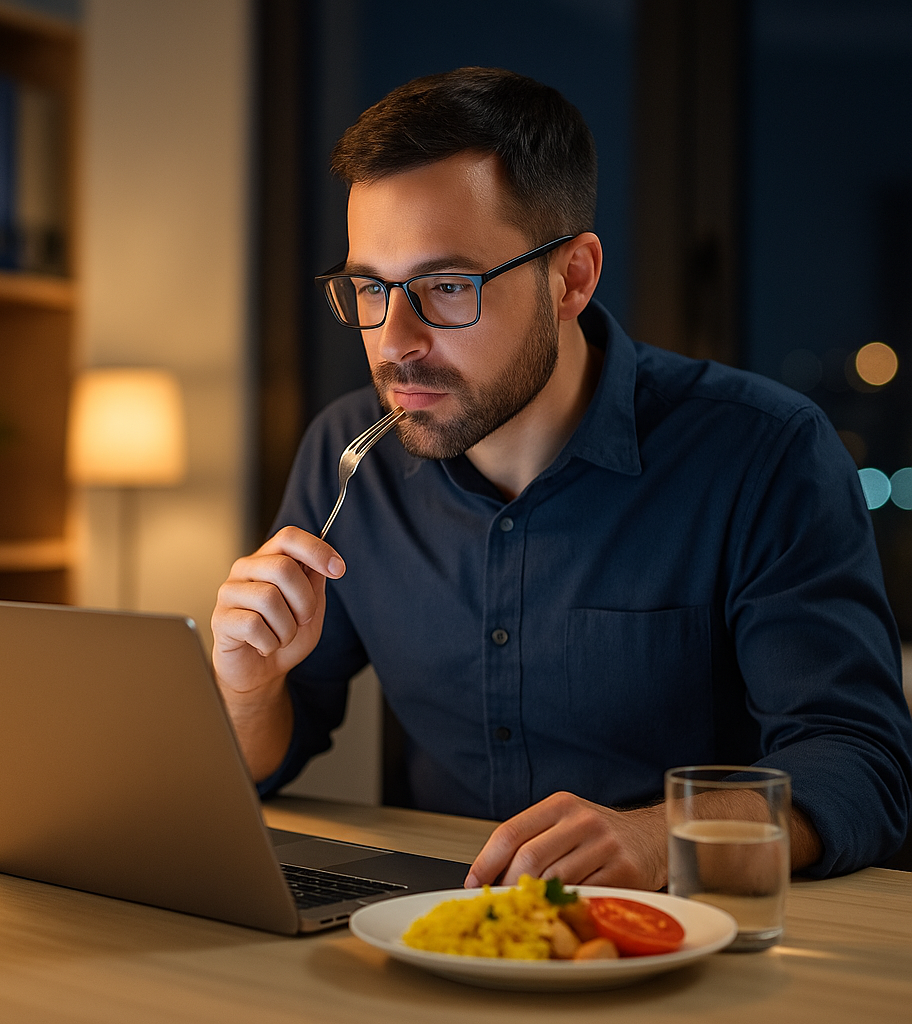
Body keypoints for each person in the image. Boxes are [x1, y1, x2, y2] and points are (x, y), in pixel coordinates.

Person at [211, 67, 912, 889]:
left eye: (446, 286)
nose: (394, 340)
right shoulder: (346, 453)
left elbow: (862, 765)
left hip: (689, 942)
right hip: (437, 934)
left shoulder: (765, 452)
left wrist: (662, 836)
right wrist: (251, 688)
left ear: (572, 278)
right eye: (371, 287)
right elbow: (270, 760)